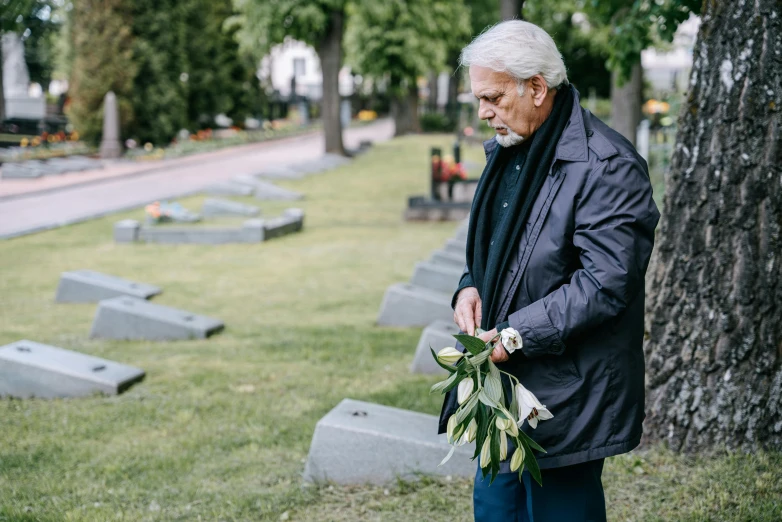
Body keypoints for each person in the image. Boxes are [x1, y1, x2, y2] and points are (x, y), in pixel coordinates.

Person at [438, 20, 661, 522]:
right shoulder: (509, 150)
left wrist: (514, 336)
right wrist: (468, 285)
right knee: (495, 512)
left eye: (492, 97)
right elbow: (495, 249)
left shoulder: (610, 166)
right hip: (501, 390)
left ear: (537, 87)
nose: (482, 112)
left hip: (569, 394)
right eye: (478, 98)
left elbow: (605, 284)